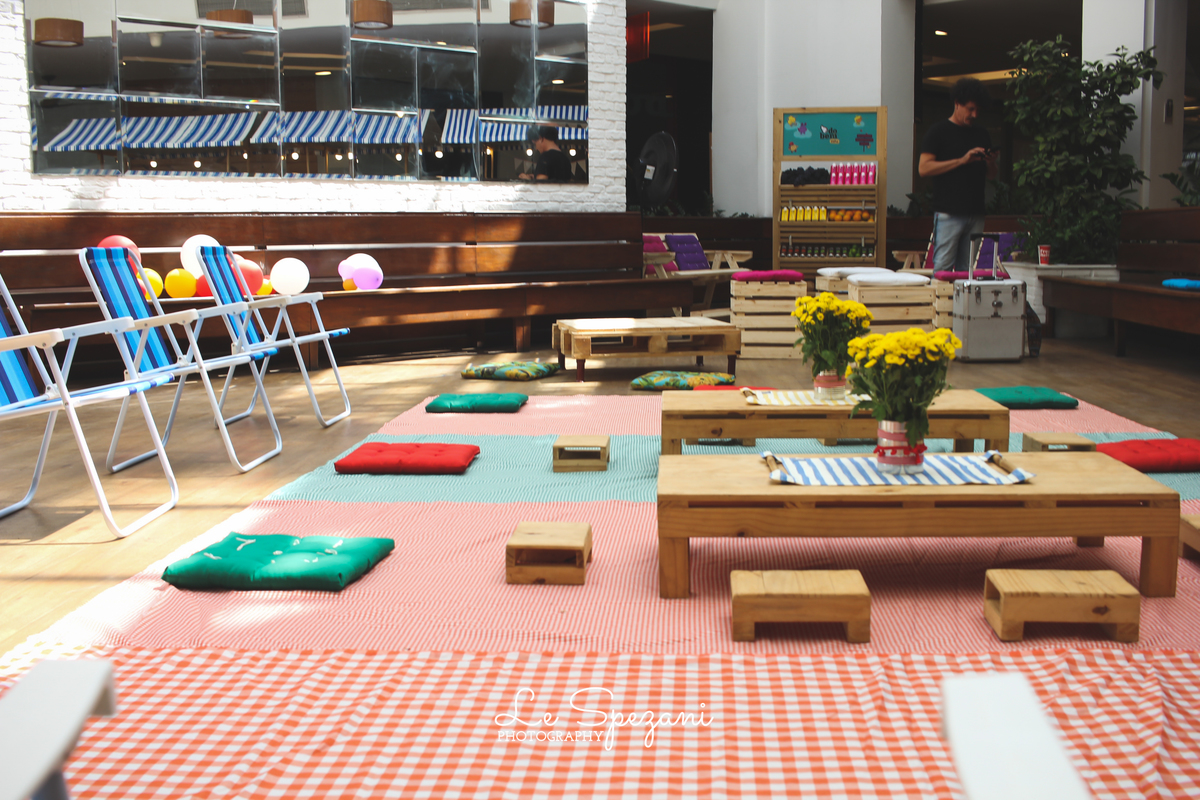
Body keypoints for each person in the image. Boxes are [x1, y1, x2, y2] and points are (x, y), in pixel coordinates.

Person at [918, 78, 998, 272]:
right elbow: (924, 168)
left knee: (968, 271)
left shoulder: (981, 134)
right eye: (970, 109)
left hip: (976, 212)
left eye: (978, 110)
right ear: (957, 103)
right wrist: (962, 160)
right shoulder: (938, 132)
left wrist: (991, 161)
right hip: (949, 211)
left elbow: (992, 176)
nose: (974, 114)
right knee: (943, 269)